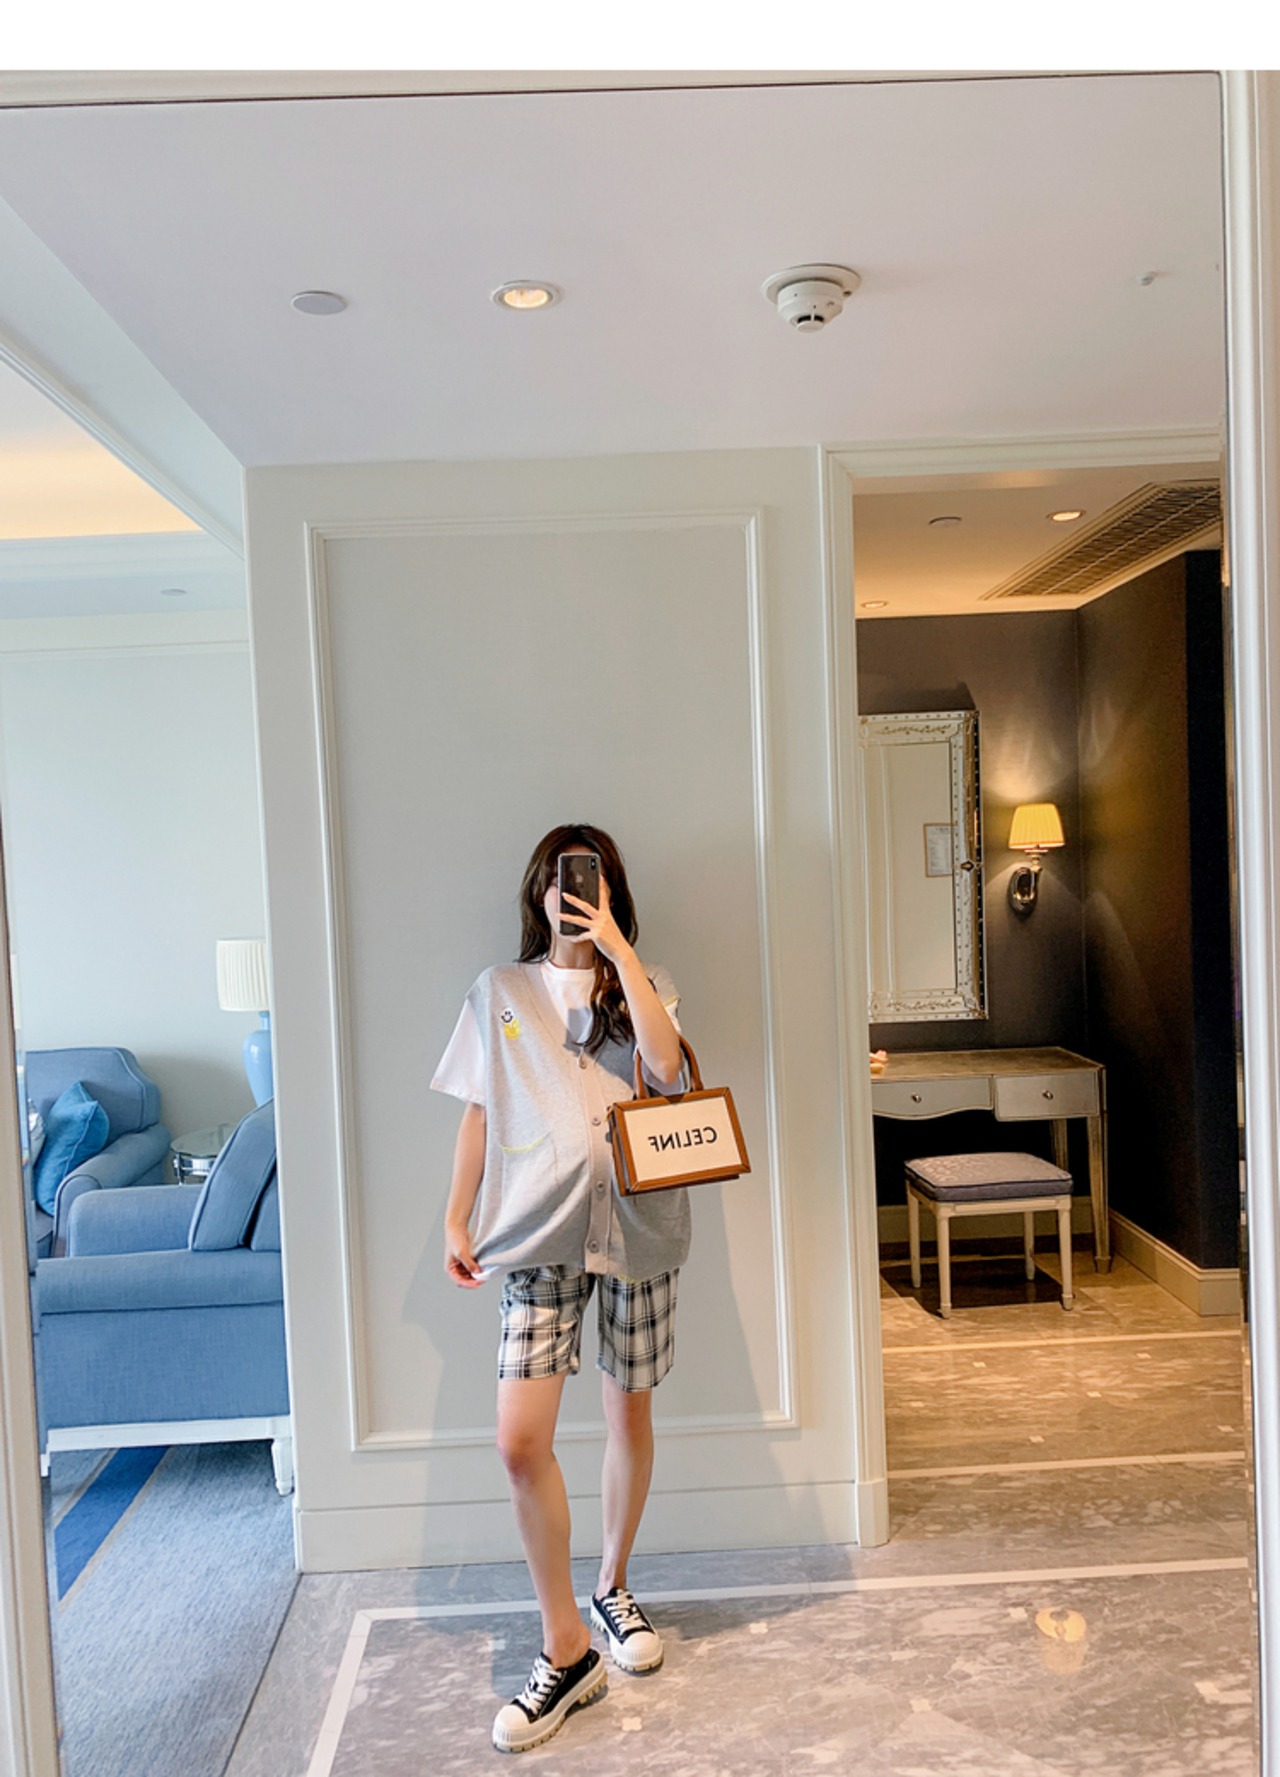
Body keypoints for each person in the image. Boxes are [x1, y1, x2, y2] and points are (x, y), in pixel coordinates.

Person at [432, 822, 689, 1754]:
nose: (570, 891)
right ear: (537, 891)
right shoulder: (499, 990)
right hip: (538, 1240)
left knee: (628, 1413)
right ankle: (566, 1647)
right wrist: (456, 1216)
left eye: (589, 878)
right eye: (558, 877)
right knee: (519, 1441)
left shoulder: (643, 982)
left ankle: (612, 1584)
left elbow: (667, 1070)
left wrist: (618, 950)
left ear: (610, 890)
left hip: (638, 1233)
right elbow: (478, 1111)